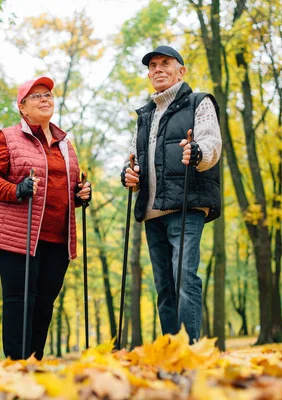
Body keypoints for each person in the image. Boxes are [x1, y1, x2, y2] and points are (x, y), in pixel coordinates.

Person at [0, 76, 91, 360]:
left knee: (44, 302)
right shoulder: (8, 137)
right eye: (36, 96)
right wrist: (17, 190)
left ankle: (34, 362)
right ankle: (16, 365)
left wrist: (81, 195)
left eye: (49, 95)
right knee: (20, 300)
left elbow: (66, 189)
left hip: (58, 237)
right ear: (22, 107)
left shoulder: (66, 144)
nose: (45, 99)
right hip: (16, 235)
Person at [121, 45, 222, 342]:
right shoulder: (145, 115)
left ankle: (189, 349)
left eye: (165, 63)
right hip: (152, 212)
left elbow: (211, 145)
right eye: (152, 65)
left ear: (181, 70)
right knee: (164, 285)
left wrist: (197, 152)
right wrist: (129, 175)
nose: (157, 69)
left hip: (186, 205)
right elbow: (133, 157)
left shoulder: (198, 103)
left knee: (184, 278)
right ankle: (169, 349)